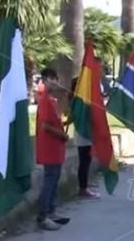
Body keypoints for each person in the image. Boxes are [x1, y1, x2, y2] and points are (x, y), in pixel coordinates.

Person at [35, 68, 70, 231]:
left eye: (56, 79)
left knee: (54, 180)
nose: (55, 82)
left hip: (56, 148)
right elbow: (46, 125)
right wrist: (62, 135)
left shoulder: (53, 100)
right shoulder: (44, 101)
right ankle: (43, 216)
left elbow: (57, 121)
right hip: (49, 147)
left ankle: (51, 210)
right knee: (49, 181)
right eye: (52, 79)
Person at [69, 77, 101, 199]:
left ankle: (85, 184)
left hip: (84, 132)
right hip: (82, 133)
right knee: (84, 161)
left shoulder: (79, 99)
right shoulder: (78, 100)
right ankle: (83, 188)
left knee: (86, 160)